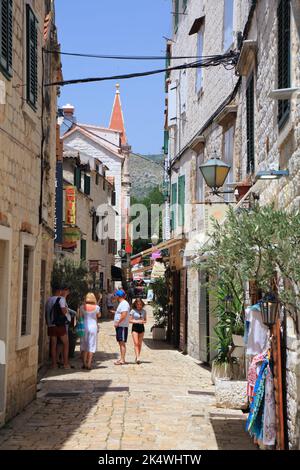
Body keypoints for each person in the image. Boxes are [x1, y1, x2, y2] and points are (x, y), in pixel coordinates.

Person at [45, 284, 71, 370]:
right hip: (59, 325)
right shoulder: (61, 299)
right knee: (66, 343)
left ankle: (54, 364)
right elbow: (63, 311)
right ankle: (66, 364)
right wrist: (67, 312)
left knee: (53, 344)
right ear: (60, 291)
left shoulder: (49, 300)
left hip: (50, 325)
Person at [79, 293, 101, 370]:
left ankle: (84, 363)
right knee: (92, 344)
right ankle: (89, 363)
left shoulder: (82, 307)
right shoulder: (97, 307)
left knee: (85, 344)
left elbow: (80, 317)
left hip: (84, 326)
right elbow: (98, 316)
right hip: (93, 326)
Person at [113, 289, 131, 365]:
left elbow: (124, 314)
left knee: (122, 342)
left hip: (122, 326)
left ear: (118, 296)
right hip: (120, 326)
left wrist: (118, 322)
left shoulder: (124, 303)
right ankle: (121, 358)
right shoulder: (122, 303)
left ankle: (123, 360)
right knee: (120, 342)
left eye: (116, 295)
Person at [129, 298, 147, 364]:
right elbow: (130, 320)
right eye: (138, 304)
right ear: (135, 305)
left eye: (140, 304)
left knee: (139, 344)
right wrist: (137, 321)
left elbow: (145, 320)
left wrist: (143, 321)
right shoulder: (133, 311)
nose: (139, 306)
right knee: (136, 343)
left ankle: (137, 356)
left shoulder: (144, 311)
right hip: (135, 328)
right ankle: (138, 357)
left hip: (141, 328)